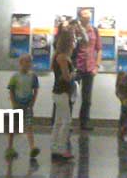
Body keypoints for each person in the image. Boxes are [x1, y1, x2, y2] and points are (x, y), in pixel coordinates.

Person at [5, 54, 40, 160]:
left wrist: (33, 101)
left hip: (28, 105)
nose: (28, 64)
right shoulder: (15, 77)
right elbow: (11, 90)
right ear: (21, 63)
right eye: (26, 62)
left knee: (29, 125)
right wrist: (13, 103)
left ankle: (32, 147)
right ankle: (10, 147)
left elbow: (35, 90)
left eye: (30, 62)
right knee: (13, 126)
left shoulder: (33, 77)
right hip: (17, 105)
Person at [50, 28, 76, 160]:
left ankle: (55, 148)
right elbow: (66, 77)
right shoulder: (63, 57)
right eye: (73, 39)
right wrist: (74, 74)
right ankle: (61, 149)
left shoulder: (57, 55)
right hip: (63, 92)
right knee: (66, 121)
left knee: (58, 121)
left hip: (58, 91)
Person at [74, 17, 100, 130]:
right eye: (84, 13)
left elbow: (99, 49)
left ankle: (84, 123)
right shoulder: (75, 30)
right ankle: (65, 122)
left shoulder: (94, 30)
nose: (88, 15)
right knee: (71, 95)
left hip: (89, 67)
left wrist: (97, 66)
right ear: (81, 17)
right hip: (77, 66)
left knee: (87, 98)